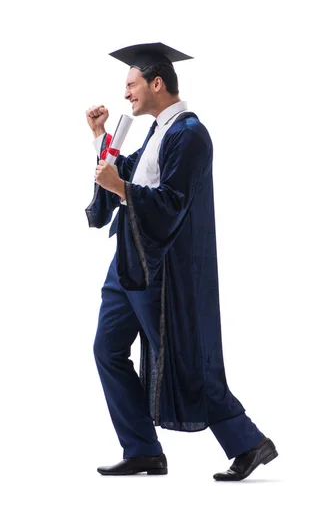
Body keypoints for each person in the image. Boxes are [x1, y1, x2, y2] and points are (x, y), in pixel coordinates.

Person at [85, 43, 278, 480]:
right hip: (129, 261)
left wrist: (121, 187)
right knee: (108, 349)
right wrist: (99, 137)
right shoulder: (157, 130)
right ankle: (142, 450)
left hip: (160, 267)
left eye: (131, 85)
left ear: (157, 83)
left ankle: (248, 442)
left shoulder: (189, 134)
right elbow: (128, 172)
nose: (126, 95)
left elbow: (172, 202)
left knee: (182, 357)